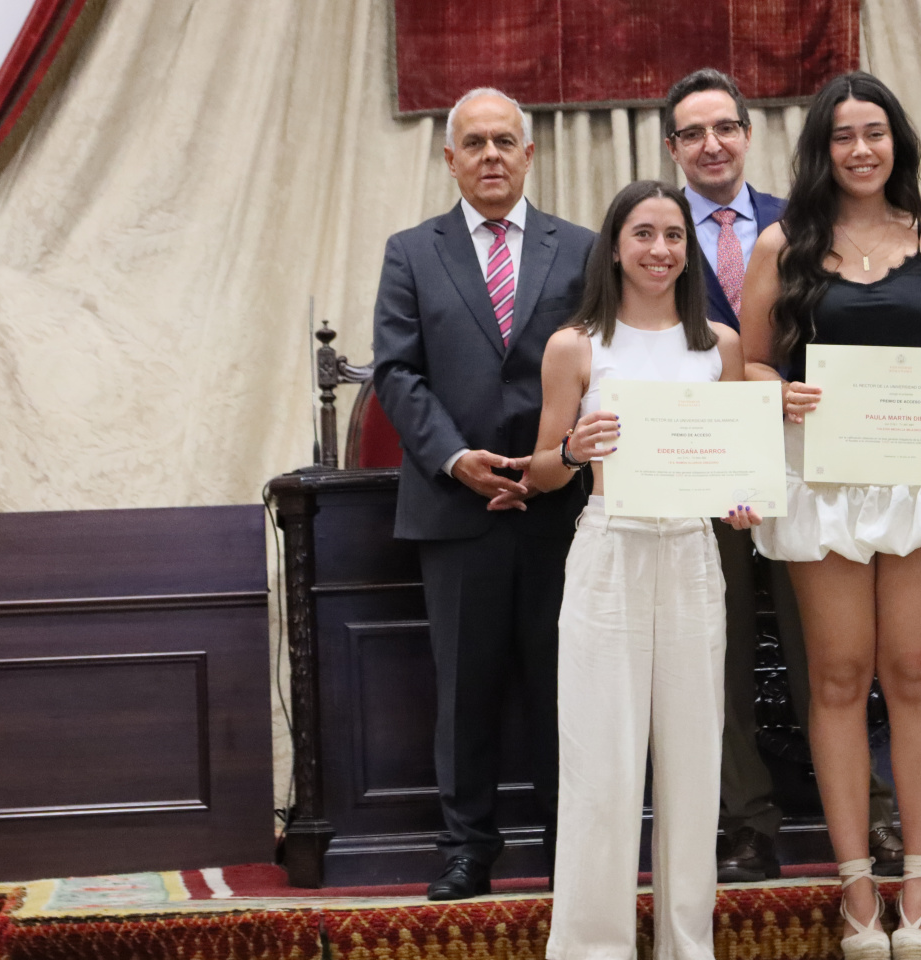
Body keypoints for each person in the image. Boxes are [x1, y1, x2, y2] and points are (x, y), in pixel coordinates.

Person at [738, 71, 921, 960]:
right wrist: (784, 391)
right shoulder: (782, 243)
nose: (861, 149)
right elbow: (752, 364)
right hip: (824, 475)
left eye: (875, 133)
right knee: (840, 676)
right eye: (844, 135)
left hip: (919, 476)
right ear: (822, 147)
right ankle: (857, 886)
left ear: (898, 143)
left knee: (916, 669)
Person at [662, 66, 902, 883]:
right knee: (719, 649)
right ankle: (746, 824)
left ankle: (872, 814)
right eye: (692, 132)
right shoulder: (649, 231)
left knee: (831, 654)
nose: (711, 144)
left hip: (810, 465)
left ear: (747, 134)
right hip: (698, 468)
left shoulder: (803, 220)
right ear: (673, 148)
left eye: (723, 126)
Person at [371, 87, 595, 901]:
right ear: (450, 158)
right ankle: (467, 851)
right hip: (455, 506)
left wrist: (547, 463)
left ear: (530, 154)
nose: (492, 155)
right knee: (464, 693)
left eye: (506, 141)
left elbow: (601, 365)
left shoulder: (582, 248)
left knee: (561, 684)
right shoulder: (411, 251)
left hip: (561, 507)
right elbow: (396, 371)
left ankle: (573, 848)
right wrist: (459, 459)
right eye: (476, 143)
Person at [529, 179, 757, 960]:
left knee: (695, 766)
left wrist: (743, 498)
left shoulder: (718, 347)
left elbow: (737, 465)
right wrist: (570, 451)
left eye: (673, 236)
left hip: (692, 554)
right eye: (644, 234)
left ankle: (687, 946)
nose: (660, 250)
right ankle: (593, 948)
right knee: (601, 764)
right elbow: (540, 472)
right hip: (609, 551)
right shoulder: (577, 345)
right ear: (615, 245)